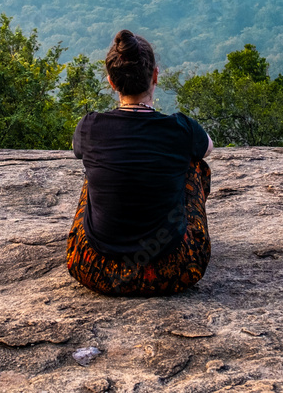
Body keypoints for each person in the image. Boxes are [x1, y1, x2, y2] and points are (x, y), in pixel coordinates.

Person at [66, 30, 214, 296]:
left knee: (93, 173)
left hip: (95, 269)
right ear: (155, 75)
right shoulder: (179, 128)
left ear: (111, 82)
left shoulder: (89, 127)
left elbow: (78, 152)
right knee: (194, 166)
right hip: (173, 269)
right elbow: (208, 147)